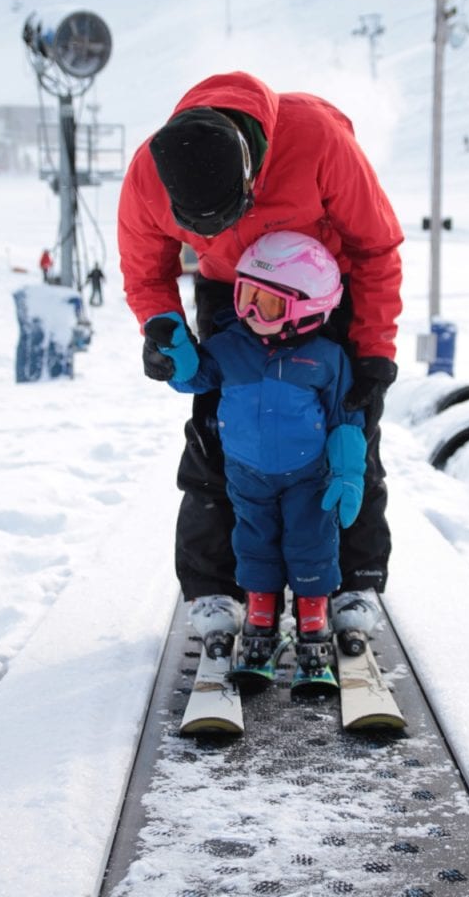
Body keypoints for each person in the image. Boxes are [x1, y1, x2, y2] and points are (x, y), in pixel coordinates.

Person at [117, 70, 402, 654]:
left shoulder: (319, 140)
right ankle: (214, 587)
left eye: (224, 218)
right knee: (218, 434)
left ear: (251, 172)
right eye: (201, 228)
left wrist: (372, 350)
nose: (217, 232)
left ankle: (355, 581)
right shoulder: (148, 173)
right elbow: (147, 272)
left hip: (325, 290)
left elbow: (376, 246)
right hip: (230, 293)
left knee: (350, 429)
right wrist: (162, 328)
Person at [148, 231, 366, 671]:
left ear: (307, 310)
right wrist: (177, 353)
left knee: (312, 544)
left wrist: (348, 471)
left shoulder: (326, 358)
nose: (248, 313)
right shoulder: (230, 346)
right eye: (245, 295)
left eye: (265, 304)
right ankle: (261, 612)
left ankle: (312, 613)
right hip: (247, 476)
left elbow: (346, 418)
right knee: (254, 544)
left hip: (309, 478)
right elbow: (195, 378)